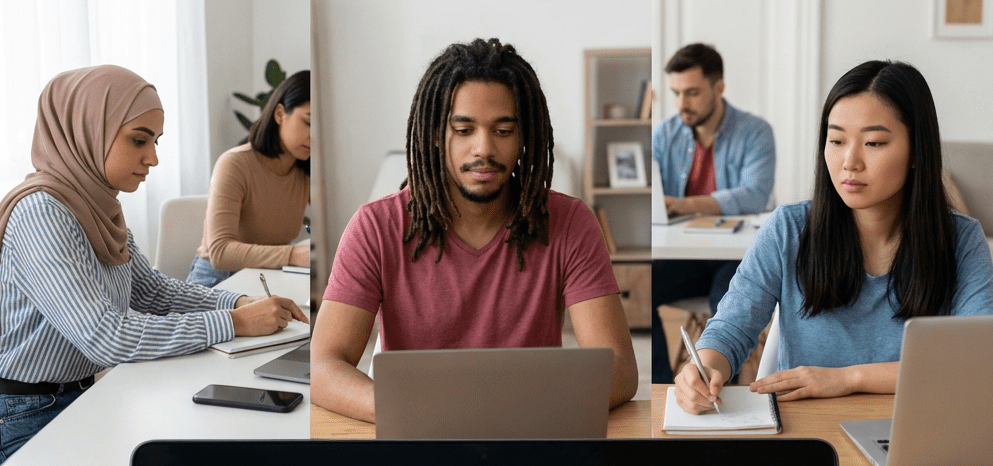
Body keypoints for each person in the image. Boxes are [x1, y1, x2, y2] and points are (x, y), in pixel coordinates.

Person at [0, 65, 308, 466]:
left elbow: (153, 293)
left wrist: (238, 301)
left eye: (155, 142)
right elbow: (105, 335)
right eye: (138, 140)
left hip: (80, 399)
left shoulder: (97, 206)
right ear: (89, 130)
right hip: (17, 420)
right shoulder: (43, 212)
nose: (153, 158)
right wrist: (233, 322)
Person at [310, 37, 638, 423]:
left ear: (524, 136)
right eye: (464, 130)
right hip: (419, 438)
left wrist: (500, 410)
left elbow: (619, 370)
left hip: (529, 433)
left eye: (502, 131)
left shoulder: (570, 222)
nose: (483, 149)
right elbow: (322, 367)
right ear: (435, 134)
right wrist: (417, 412)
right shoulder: (374, 227)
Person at [676, 59, 993, 414]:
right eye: (837, 140)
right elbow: (730, 329)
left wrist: (848, 378)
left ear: (917, 151)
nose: (850, 162)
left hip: (916, 428)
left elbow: (979, 360)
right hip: (810, 435)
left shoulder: (961, 240)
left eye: (873, 143)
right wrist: (702, 369)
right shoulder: (789, 229)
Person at [651, 43, 775, 383]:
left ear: (718, 88)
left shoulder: (756, 132)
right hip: (684, 257)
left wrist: (683, 204)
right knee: (636, 291)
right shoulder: (664, 134)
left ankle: (723, 392)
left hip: (734, 258)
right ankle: (663, 386)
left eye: (692, 93)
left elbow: (755, 194)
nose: (681, 104)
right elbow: (652, 193)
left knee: (731, 312)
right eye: (675, 93)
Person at [188, 71, 311, 286]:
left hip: (267, 279)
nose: (314, 135)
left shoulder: (305, 171)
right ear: (280, 113)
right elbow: (219, 251)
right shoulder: (235, 163)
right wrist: (292, 255)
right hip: (216, 281)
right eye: (308, 122)